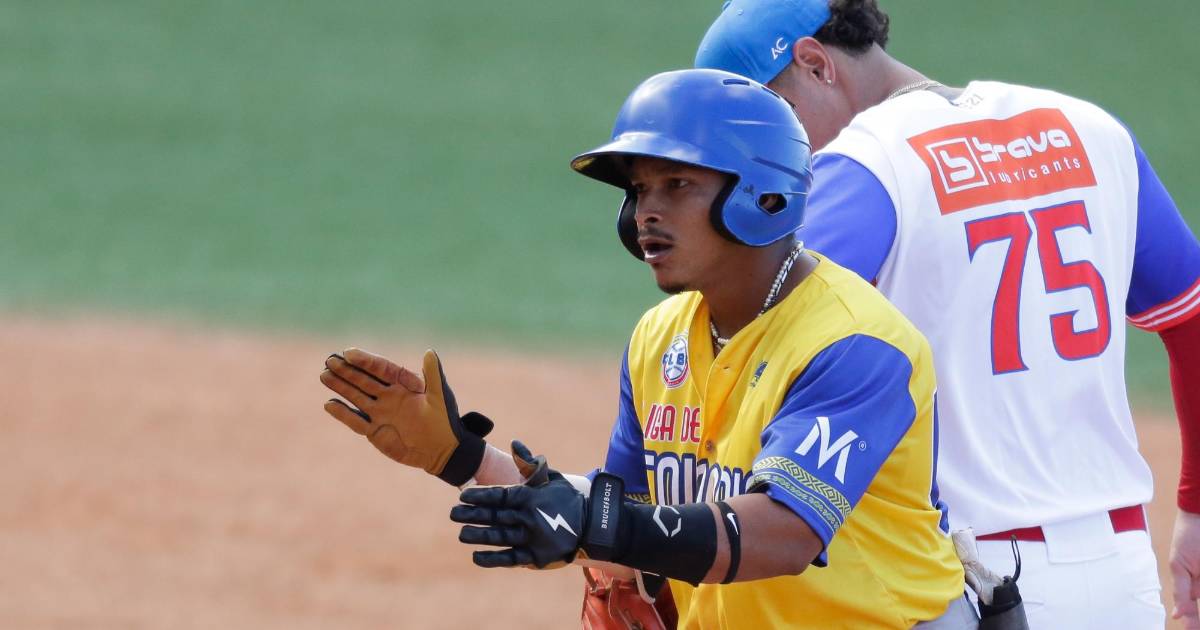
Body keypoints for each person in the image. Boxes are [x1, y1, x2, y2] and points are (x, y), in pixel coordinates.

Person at [319, 69, 975, 628]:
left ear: (765, 195)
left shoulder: (855, 342)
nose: (644, 214)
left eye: (676, 185)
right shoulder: (661, 337)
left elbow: (784, 534)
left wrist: (595, 524)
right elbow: (628, 515)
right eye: (637, 191)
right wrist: (465, 459)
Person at [694, 1, 1200, 627]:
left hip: (964, 585)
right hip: (1122, 578)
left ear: (816, 64)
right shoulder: (1093, 131)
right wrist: (1195, 508)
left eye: (768, 121)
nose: (763, 158)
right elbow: (1191, 321)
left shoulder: (862, 166)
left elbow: (743, 339)